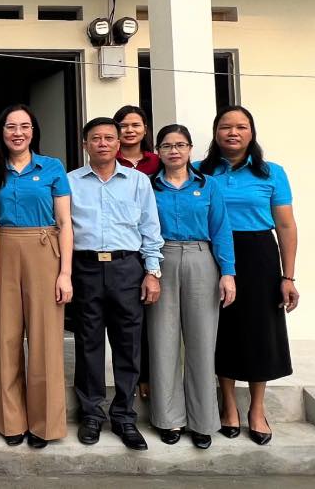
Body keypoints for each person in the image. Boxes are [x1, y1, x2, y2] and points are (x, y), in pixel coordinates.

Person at [196, 106, 299, 446]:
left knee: (260, 331)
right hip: (212, 254)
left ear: (251, 133)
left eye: (241, 127)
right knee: (222, 329)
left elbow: (286, 226)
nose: (233, 132)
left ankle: (257, 408)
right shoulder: (199, 171)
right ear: (216, 133)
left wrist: (289, 277)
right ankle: (228, 405)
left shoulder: (271, 172)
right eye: (226, 127)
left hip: (258, 255)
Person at [67, 117, 164, 451]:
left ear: (118, 144)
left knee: (128, 344)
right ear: (85, 144)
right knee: (88, 343)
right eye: (96, 138)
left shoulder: (138, 181)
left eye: (109, 138)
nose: (103, 143)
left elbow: (150, 227)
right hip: (86, 268)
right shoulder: (71, 182)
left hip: (127, 267)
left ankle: (124, 415)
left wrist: (152, 272)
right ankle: (91, 414)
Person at [0, 105, 73, 450]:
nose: (18, 133)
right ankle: (11, 421)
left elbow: (65, 223)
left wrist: (65, 273)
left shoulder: (52, 167)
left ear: (33, 131)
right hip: (4, 249)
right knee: (6, 338)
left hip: (44, 249)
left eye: (24, 126)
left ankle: (45, 424)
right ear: (2, 132)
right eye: (11, 127)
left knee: (45, 341)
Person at [147, 124, 236, 450]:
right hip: (162, 259)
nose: (174, 151)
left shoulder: (208, 186)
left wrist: (228, 273)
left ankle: (202, 421)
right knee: (163, 340)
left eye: (180, 145)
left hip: (201, 258)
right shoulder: (149, 186)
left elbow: (221, 230)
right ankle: (168, 418)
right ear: (158, 151)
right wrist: (149, 269)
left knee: (201, 342)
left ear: (189, 149)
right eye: (167, 145)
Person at [113, 104, 159, 400]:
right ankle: (139, 377)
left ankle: (151, 376)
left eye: (135, 125)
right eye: (123, 125)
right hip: (124, 250)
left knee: (153, 318)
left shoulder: (158, 163)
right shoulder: (108, 160)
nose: (129, 130)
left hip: (154, 244)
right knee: (130, 321)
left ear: (145, 129)